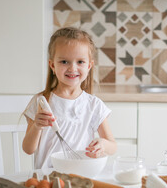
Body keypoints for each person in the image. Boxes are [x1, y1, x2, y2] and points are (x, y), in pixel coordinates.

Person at [22, 26, 117, 169]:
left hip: (81, 177)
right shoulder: (41, 101)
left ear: (89, 65)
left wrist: (103, 145)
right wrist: (37, 126)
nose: (72, 68)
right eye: (64, 62)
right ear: (52, 65)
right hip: (48, 180)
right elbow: (28, 149)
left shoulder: (93, 105)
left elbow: (113, 147)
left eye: (80, 62)